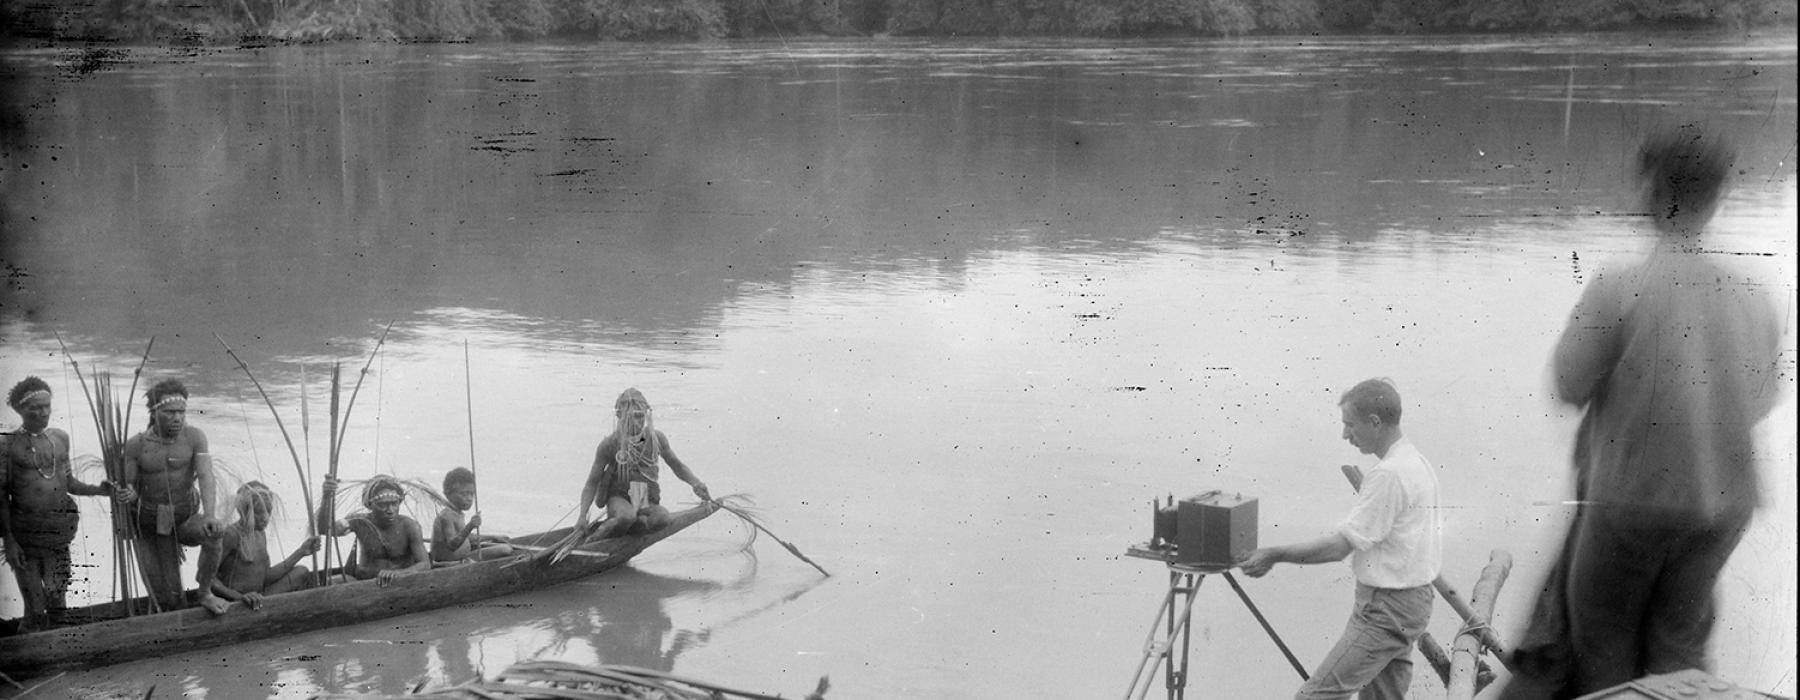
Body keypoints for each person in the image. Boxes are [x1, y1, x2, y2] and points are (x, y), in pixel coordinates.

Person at [1512, 126, 1783, 696]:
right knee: (1681, 651)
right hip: (1721, 508)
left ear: (1651, 191)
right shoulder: (1754, 295)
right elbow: (1760, 398)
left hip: (1629, 502)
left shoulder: (1621, 287)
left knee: (1603, 656)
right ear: (1716, 198)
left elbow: (1566, 384)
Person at [1237, 378, 1442, 700]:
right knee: (1383, 697)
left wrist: (1273, 553)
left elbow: (1338, 548)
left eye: (1350, 425)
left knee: (1316, 697)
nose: (1345, 435)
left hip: (1386, 609)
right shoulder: (1416, 462)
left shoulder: (1389, 474)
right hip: (1413, 602)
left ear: (1374, 422)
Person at [1, 377, 115, 630]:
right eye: (35, 408)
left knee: (57, 598)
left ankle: (58, 651)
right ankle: (30, 653)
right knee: (33, 606)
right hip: (26, 536)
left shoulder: (60, 438)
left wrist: (99, 490)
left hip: (59, 533)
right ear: (19, 410)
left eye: (46, 407)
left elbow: (69, 483)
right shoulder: (7, 445)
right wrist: (9, 541)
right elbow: (1, 498)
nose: (42, 413)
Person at [117, 378, 228, 614]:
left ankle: (205, 592)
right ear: (154, 412)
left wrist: (209, 515)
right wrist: (128, 494)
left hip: (185, 517)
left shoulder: (194, 437)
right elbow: (128, 487)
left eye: (182, 412)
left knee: (214, 534)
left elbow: (206, 475)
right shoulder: (136, 446)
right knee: (169, 598)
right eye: (170, 413)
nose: (178, 418)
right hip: (150, 523)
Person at [574, 388, 711, 541]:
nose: (637, 422)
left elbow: (677, 465)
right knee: (626, 517)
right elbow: (592, 483)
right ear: (619, 415)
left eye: (640, 416)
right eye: (631, 417)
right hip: (619, 496)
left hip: (643, 497)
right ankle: (598, 536)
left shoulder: (656, 439)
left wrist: (696, 483)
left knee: (662, 519)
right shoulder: (610, 444)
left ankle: (632, 526)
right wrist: (582, 516)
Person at [204, 481, 320, 610]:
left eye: (268, 511)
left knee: (301, 571)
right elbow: (208, 578)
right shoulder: (231, 535)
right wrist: (239, 597)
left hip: (259, 598)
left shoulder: (260, 534)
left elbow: (265, 576)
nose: (266, 518)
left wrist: (301, 552)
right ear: (244, 511)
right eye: (259, 512)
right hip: (236, 603)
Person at [316, 473, 430, 586]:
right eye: (383, 505)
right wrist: (327, 497)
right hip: (363, 584)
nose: (390, 510)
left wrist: (399, 573)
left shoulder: (410, 526)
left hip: (399, 584)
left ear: (399, 502)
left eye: (394, 504)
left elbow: (424, 564)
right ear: (370, 505)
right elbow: (325, 529)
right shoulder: (358, 521)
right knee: (332, 581)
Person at [430, 467, 512, 564]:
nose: (469, 499)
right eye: (464, 494)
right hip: (453, 562)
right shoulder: (446, 516)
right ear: (448, 494)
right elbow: (452, 545)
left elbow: (466, 536)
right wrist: (470, 526)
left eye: (471, 494)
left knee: (497, 543)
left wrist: (493, 537)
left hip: (463, 556)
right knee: (506, 549)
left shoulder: (458, 513)